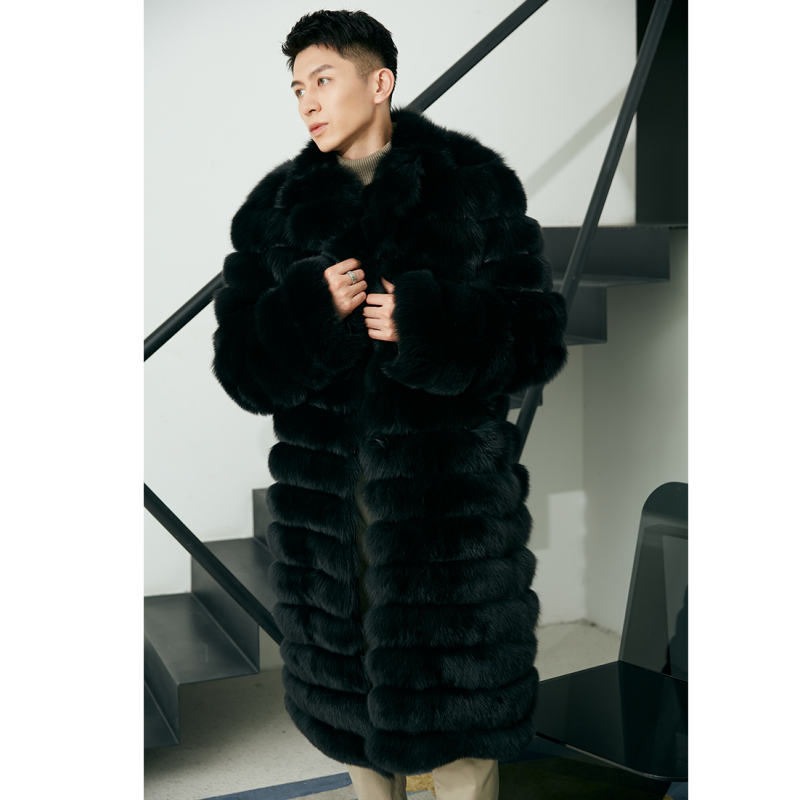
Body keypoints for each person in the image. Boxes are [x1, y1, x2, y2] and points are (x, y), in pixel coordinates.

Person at [211, 9, 568, 800]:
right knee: (359, 743)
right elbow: (242, 372)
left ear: (380, 82)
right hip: (331, 540)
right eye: (296, 87)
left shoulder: (473, 186)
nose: (307, 100)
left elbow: (537, 337)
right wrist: (309, 313)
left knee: (463, 747)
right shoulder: (274, 212)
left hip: (451, 532)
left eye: (323, 79)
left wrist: (430, 323)